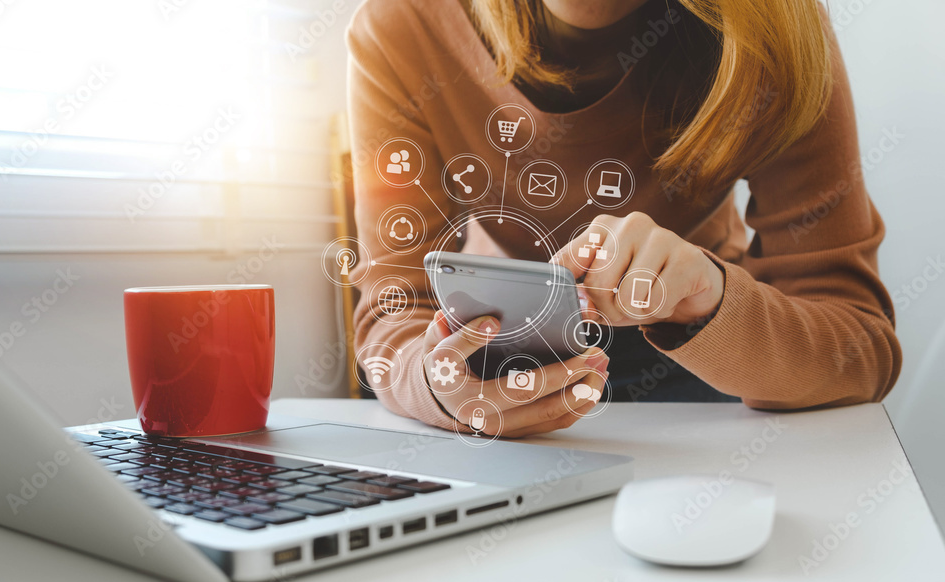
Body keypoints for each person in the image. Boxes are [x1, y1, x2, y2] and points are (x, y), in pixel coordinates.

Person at [344, 0, 902, 437]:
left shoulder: (777, 34)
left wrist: (707, 300)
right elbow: (393, 310)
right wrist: (435, 385)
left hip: (718, 358)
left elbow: (861, 350)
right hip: (497, 353)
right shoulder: (399, 25)